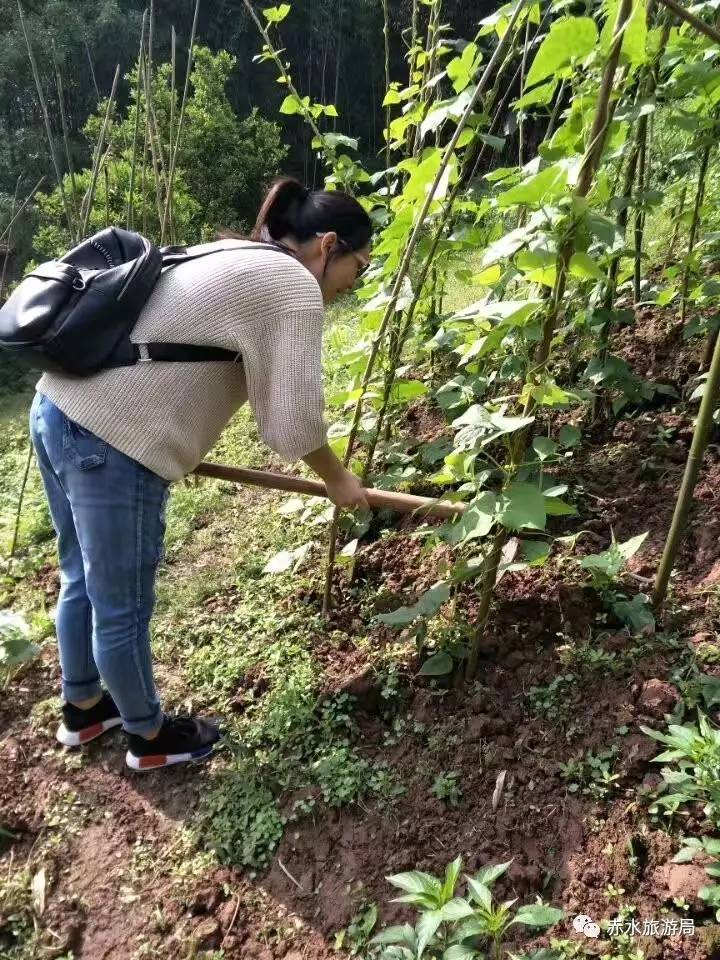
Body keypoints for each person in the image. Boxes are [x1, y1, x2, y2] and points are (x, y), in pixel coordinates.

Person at [29, 176, 372, 772]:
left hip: (57, 409)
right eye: (358, 268)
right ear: (329, 245)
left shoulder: (235, 252)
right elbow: (292, 424)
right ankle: (149, 739)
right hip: (109, 440)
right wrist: (339, 481)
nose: (351, 285)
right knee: (122, 605)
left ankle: (85, 709)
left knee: (81, 575)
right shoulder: (289, 281)